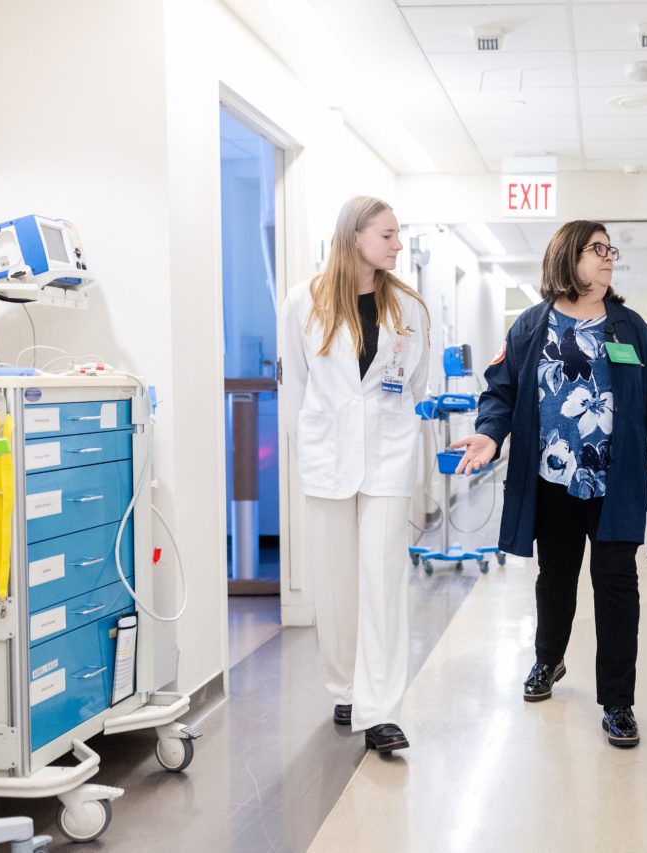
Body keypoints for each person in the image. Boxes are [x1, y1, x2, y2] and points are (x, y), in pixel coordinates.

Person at [451, 220, 647, 749]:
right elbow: (499, 392)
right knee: (555, 579)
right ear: (566, 257)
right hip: (551, 480)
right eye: (595, 249)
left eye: (610, 249)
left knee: (617, 586)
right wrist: (490, 435)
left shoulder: (630, 328)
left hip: (615, 480)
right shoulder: (531, 326)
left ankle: (618, 702)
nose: (608, 258)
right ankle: (547, 661)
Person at [280, 195, 430, 755]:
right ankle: (344, 686)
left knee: (383, 580)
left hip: (388, 456)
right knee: (336, 584)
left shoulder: (408, 308)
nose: (397, 244)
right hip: (327, 456)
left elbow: (415, 386)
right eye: (387, 235)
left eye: (397, 234)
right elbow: (294, 386)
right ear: (356, 237)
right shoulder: (305, 301)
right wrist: (307, 449)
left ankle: (379, 709)